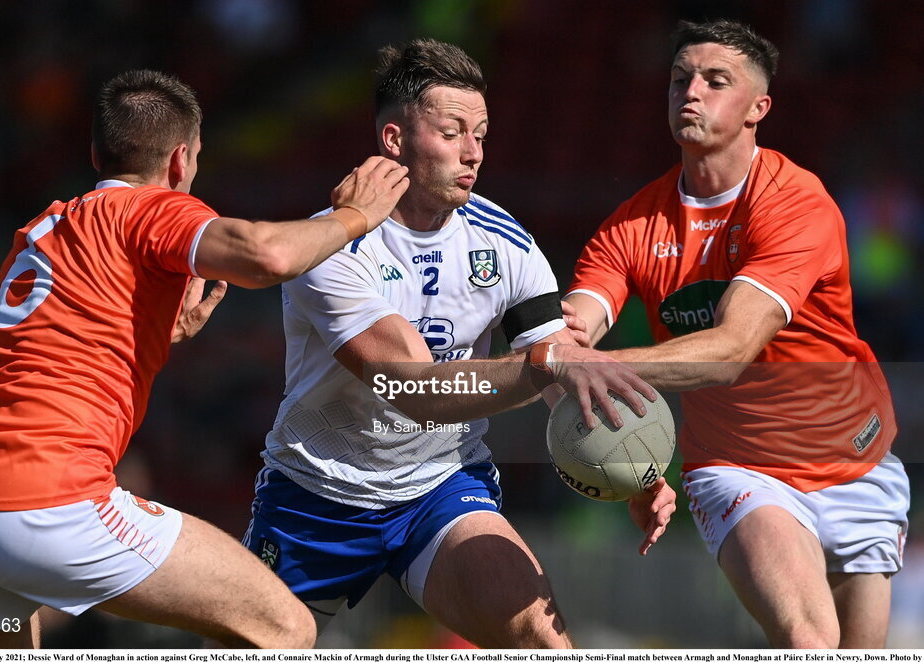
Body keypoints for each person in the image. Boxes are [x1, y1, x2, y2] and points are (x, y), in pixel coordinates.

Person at [0, 69, 409, 649]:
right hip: (49, 503)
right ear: (180, 161)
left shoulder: (40, 232)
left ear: (97, 152)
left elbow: (52, 349)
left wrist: (156, 334)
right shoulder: (150, 207)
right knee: (284, 626)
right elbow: (264, 255)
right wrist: (355, 217)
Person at [241, 39, 677, 649]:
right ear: (394, 141)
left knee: (541, 638)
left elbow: (566, 373)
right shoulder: (329, 245)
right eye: (453, 132)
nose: (474, 152)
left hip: (440, 488)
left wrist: (634, 464)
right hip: (318, 495)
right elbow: (411, 390)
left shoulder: (508, 243)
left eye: (482, 134)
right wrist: (544, 364)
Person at [563, 20, 909, 648]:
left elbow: (730, 351)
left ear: (758, 108)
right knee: (809, 642)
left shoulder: (797, 202)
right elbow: (574, 333)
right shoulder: (630, 226)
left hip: (856, 457)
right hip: (739, 466)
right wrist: (634, 468)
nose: (689, 92)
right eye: (678, 79)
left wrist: (600, 366)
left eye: (714, 81)